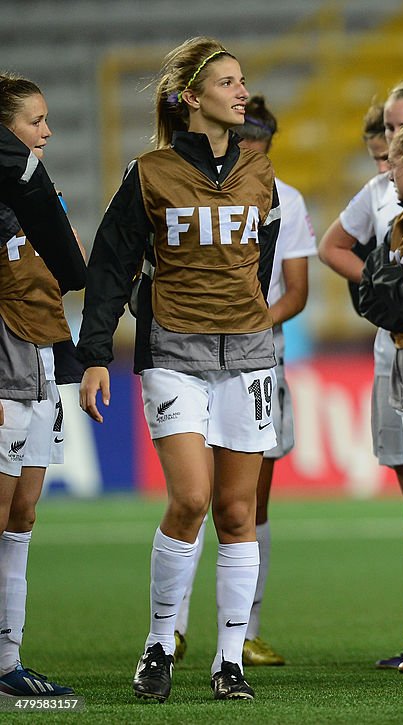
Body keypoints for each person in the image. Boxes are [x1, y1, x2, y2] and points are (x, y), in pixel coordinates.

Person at [77, 37, 280, 702]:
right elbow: (111, 265)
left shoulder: (259, 173)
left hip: (249, 354)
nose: (241, 91)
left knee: (237, 509)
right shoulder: (151, 172)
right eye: (227, 82)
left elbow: (261, 261)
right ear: (192, 98)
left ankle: (229, 661)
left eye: (241, 79)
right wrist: (97, 354)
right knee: (191, 498)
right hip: (176, 355)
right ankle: (160, 642)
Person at [172, 94, 317, 669]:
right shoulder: (199, 189)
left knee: (249, 504)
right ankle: (174, 627)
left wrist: (250, 321)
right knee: (191, 496)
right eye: (246, 145)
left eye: (262, 147)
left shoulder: (289, 199)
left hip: (261, 365)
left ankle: (246, 632)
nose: (254, 155)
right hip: (193, 362)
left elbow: (298, 290)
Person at [318, 76, 403, 668]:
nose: (387, 136)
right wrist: (380, 288)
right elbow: (334, 247)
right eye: (387, 126)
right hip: (394, 354)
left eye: (400, 127)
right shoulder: (379, 189)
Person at [0, 72, 80, 698]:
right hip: (3, 370)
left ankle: (8, 660)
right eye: (35, 122)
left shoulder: (33, 206)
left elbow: (57, 286)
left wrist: (73, 365)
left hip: (40, 370)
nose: (47, 132)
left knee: (22, 516)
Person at [0, 124, 85, 294]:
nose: (47, 132)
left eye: (45, 120)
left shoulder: (45, 194)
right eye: (35, 122)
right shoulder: (11, 213)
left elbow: (67, 282)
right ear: (7, 131)